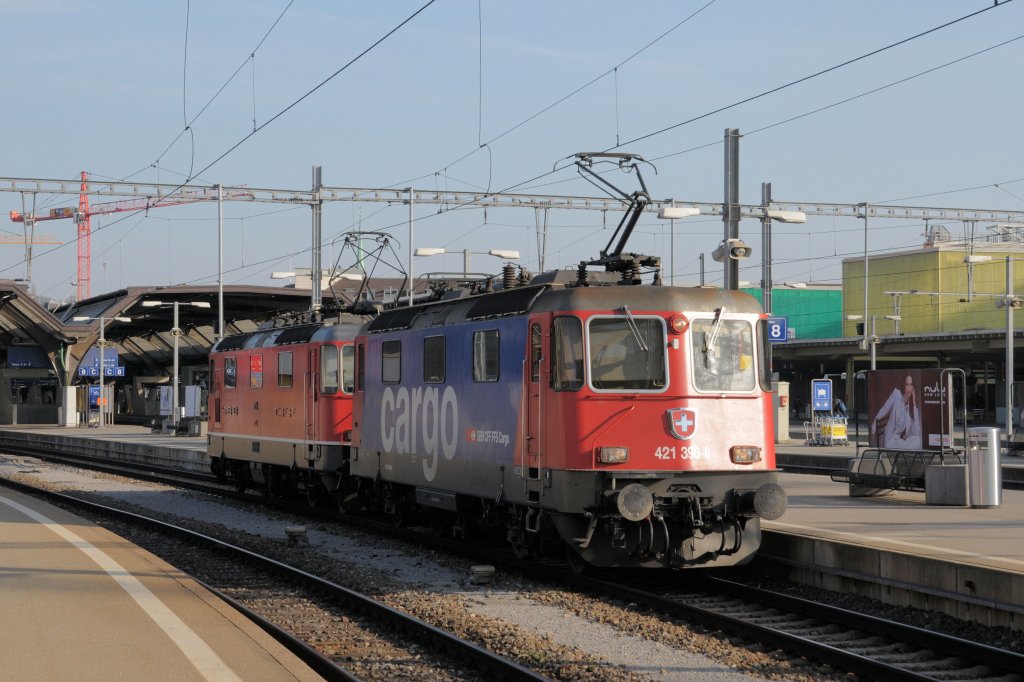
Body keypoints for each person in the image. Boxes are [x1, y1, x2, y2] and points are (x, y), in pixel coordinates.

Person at [871, 373, 922, 449]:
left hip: (899, 441)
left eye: (911, 385)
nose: (909, 388)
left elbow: (916, 431)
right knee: (908, 446)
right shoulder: (896, 394)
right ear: (903, 385)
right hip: (890, 441)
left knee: (918, 440)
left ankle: (903, 451)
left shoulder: (910, 407)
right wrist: (873, 427)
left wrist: (914, 402)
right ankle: (902, 451)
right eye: (907, 384)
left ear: (913, 388)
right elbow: (884, 409)